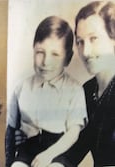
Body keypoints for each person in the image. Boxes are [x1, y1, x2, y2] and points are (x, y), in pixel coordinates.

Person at [5, 16, 88, 167]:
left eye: (55, 55)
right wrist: (9, 160)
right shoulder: (22, 88)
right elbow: (11, 129)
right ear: (33, 49)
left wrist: (49, 154)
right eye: (40, 52)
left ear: (67, 58)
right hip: (29, 148)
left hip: (59, 150)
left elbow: (73, 133)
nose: (45, 61)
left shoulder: (74, 90)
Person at [52, 1, 115, 167]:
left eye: (93, 39)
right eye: (80, 41)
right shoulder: (88, 91)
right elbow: (73, 150)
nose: (85, 52)